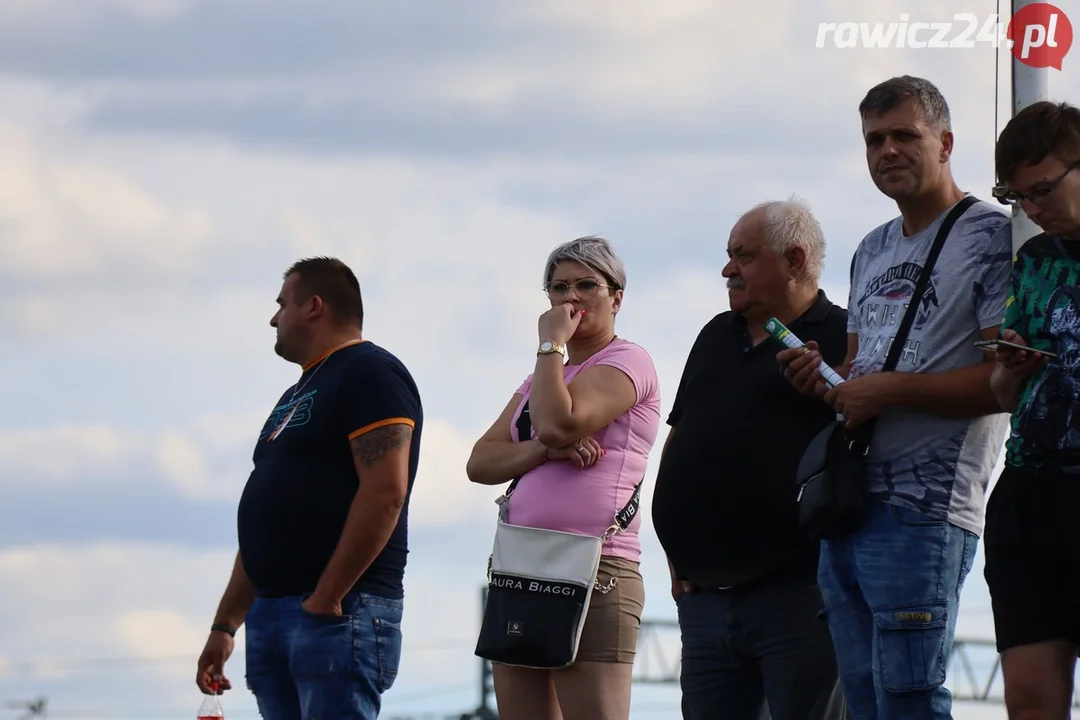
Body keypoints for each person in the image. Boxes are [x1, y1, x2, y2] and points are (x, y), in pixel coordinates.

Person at [779, 75, 1013, 719]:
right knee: (862, 696)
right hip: (852, 500)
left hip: (926, 506)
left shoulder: (991, 237)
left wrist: (888, 390)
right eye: (874, 139)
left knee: (909, 697)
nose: (888, 151)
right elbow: (858, 373)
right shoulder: (871, 248)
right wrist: (825, 378)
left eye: (904, 135)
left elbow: (1006, 381)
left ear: (945, 143)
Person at [194, 256, 424, 720]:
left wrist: (328, 595)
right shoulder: (297, 393)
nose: (274, 318)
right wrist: (226, 623)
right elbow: (268, 520)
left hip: (338, 611)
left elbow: (386, 491)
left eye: (282, 304)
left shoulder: (370, 372)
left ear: (314, 306)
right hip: (276, 609)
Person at [651, 197, 846, 720]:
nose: (727, 269)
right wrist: (676, 552)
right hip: (705, 598)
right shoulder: (716, 334)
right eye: (728, 255)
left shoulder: (839, 337)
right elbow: (682, 439)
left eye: (743, 255)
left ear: (795, 260)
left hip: (797, 597)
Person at [465, 236, 661, 720]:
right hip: (522, 563)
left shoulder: (627, 360)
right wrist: (542, 450)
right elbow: (481, 462)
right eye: (558, 288)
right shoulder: (540, 379)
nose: (570, 298)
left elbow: (560, 421)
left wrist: (550, 343)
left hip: (596, 568)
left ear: (616, 296)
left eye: (586, 285)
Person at [984, 100, 1080, 719]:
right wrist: (1009, 367)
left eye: (1043, 188)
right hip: (1031, 490)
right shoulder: (1035, 259)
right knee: (1028, 697)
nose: (1033, 208)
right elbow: (999, 394)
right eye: (1018, 196)